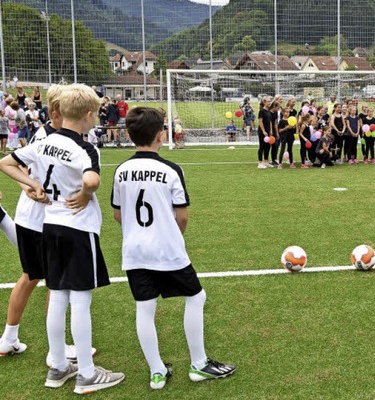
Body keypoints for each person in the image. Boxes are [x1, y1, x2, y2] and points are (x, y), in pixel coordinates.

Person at [0, 84, 125, 393]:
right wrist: (86, 192)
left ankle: (58, 367)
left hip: (50, 227)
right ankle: (87, 373)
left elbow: (5, 163)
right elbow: (92, 179)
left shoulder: (43, 141)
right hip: (78, 230)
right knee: (80, 299)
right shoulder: (86, 149)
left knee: (57, 296)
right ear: (88, 114)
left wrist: (33, 185)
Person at [111, 106, 236, 390]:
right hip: (167, 250)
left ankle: (157, 372)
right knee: (196, 297)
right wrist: (171, 234)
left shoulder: (121, 170)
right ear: (160, 135)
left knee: (144, 308)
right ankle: (199, 363)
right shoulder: (170, 169)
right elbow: (182, 216)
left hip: (135, 251)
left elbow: (118, 214)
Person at [0, 85, 93, 364]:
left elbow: (19, 169)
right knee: (53, 282)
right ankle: (58, 350)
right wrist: (29, 186)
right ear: (57, 111)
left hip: (32, 219)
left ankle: (8, 338)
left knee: (31, 276)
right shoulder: (50, 137)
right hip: (44, 221)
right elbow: (21, 171)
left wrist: (26, 185)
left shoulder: (46, 135)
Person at [257, 96, 272, 169]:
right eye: (268, 101)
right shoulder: (261, 111)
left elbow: (270, 122)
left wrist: (271, 130)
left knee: (268, 146)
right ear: (264, 102)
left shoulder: (269, 111)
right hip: (262, 132)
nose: (270, 102)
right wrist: (263, 131)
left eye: (270, 101)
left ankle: (266, 161)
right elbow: (260, 122)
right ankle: (260, 162)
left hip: (268, 131)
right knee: (262, 146)